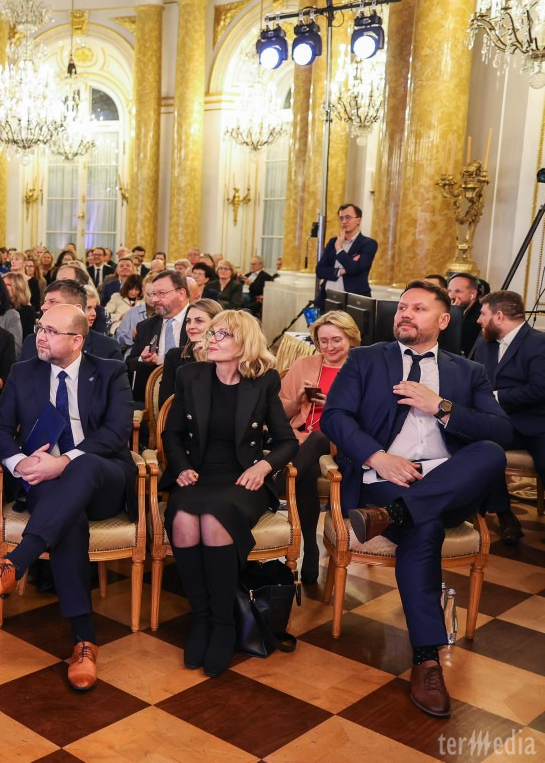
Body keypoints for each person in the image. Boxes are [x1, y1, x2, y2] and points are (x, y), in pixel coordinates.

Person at [321, 280, 514, 717]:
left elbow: (502, 430)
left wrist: (441, 406)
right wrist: (377, 457)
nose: (405, 313)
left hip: (449, 482)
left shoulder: (468, 372)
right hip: (386, 477)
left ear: (443, 320)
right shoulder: (367, 359)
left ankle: (392, 515)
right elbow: (334, 417)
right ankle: (427, 660)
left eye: (419, 308)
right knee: (423, 530)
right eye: (403, 307)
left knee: (490, 452)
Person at [0, 303, 136, 691]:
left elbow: (115, 433)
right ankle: (84, 641)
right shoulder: (24, 372)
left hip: (104, 479)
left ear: (77, 340)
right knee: (69, 522)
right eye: (40, 328)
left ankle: (15, 563)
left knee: (84, 465)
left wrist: (63, 462)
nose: (40, 337)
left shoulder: (109, 371)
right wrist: (20, 464)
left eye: (50, 331)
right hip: (44, 482)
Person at [161, 310, 297, 677]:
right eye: (212, 333)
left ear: (245, 342)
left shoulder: (263, 381)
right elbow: (172, 433)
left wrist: (263, 467)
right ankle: (201, 619)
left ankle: (223, 623)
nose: (211, 340)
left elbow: (286, 442)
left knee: (215, 519)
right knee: (184, 518)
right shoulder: (190, 375)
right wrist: (180, 467)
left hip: (242, 479)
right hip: (197, 474)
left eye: (222, 334)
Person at [277, 310, 361, 583]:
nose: (329, 347)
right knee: (308, 470)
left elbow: (370, 418)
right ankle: (310, 548)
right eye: (323, 341)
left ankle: (275, 487)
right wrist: (298, 399)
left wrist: (334, 408)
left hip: (339, 442)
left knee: (321, 436)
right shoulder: (304, 364)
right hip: (300, 440)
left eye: (336, 340)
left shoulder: (361, 368)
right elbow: (280, 413)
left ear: (351, 338)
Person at [471, 289, 537, 543]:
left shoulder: (539, 343)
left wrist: (496, 396)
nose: (478, 320)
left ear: (498, 316)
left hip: (534, 424)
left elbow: (540, 389)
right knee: (483, 450)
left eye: (482, 314)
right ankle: (505, 515)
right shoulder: (484, 342)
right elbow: (475, 378)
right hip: (496, 422)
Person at [18, 280, 122, 362]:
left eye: (52, 302)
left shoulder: (107, 348)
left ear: (76, 309)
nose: (43, 307)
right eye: (45, 302)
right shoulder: (31, 342)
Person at [127, 271, 190, 401]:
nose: (154, 300)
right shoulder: (145, 327)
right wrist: (143, 360)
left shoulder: (202, 321)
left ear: (181, 294)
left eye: (162, 293)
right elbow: (130, 362)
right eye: (153, 294)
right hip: (153, 399)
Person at [156, 299, 223, 407]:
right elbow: (165, 403)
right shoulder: (174, 356)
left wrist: (209, 359)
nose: (191, 326)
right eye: (188, 321)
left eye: (199, 321)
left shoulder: (226, 357)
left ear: (216, 325)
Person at [316, 203, 377, 298]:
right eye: (341, 218)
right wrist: (341, 271)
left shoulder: (368, 244)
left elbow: (354, 269)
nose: (344, 221)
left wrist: (339, 249)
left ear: (358, 220)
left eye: (348, 217)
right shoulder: (333, 242)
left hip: (353, 299)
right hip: (326, 297)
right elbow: (320, 270)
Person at [447, 273, 484, 355]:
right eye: (449, 291)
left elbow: (456, 344)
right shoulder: (451, 310)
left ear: (473, 294)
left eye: (458, 291)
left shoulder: (479, 316)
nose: (451, 296)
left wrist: (454, 313)